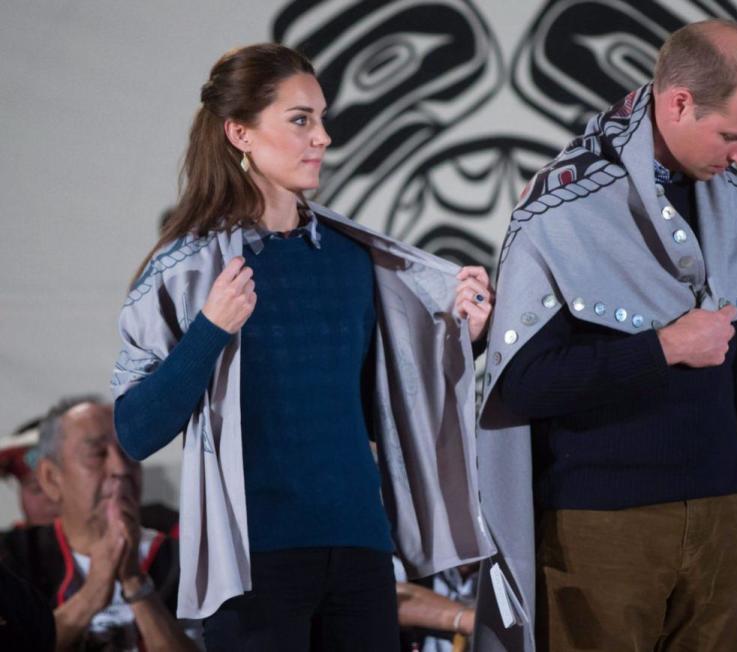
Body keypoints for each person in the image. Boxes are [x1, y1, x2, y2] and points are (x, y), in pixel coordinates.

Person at [472, 20, 737, 651]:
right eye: (732, 136)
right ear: (678, 102)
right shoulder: (562, 206)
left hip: (723, 517)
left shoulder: (726, 199)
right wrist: (662, 349)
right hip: (601, 525)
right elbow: (523, 381)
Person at [111, 43, 496, 651]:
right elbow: (134, 431)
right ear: (239, 132)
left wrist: (461, 343)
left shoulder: (351, 260)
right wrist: (210, 329)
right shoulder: (185, 270)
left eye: (320, 119)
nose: (323, 138)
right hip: (252, 560)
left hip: (361, 552)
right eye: (300, 120)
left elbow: (377, 410)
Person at [0, 397, 197, 651]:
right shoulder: (14, 558)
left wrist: (136, 584)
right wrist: (92, 594)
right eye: (97, 454)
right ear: (51, 479)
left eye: (128, 451)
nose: (120, 468)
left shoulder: (186, 555)